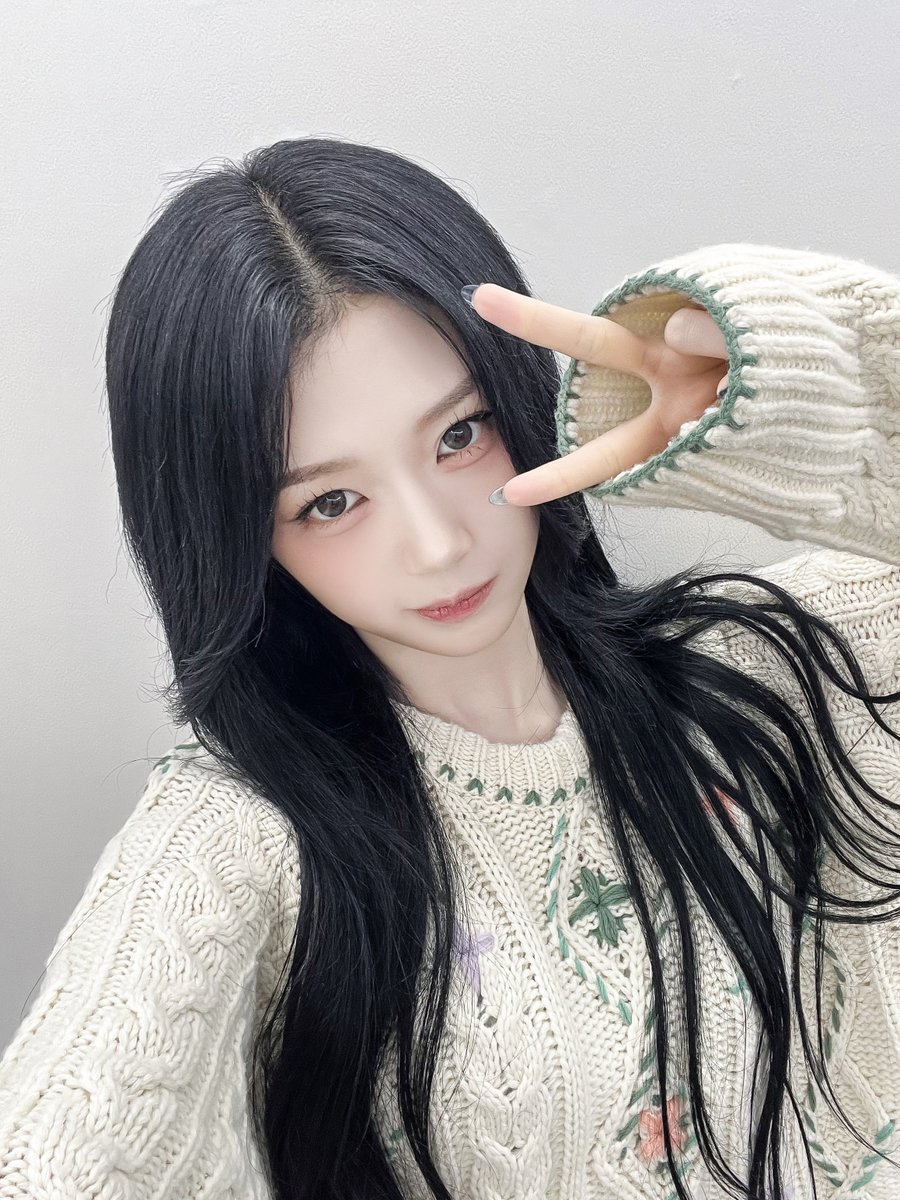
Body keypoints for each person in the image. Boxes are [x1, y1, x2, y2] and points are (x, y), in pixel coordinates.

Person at [0, 138, 898, 1200]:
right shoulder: (246, 842)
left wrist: (804, 383)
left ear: (517, 402)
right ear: (248, 540)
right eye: (331, 502)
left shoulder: (769, 675)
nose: (437, 544)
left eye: (460, 434)